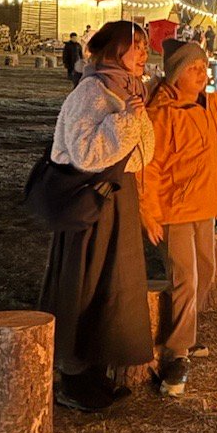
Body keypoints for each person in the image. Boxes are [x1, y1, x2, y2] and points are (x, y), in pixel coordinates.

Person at [39, 21, 156, 412]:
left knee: (111, 288)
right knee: (82, 287)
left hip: (118, 203)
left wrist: (137, 117)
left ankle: (97, 374)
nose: (143, 54)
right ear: (113, 51)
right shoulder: (90, 91)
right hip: (89, 207)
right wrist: (126, 119)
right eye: (135, 47)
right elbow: (85, 154)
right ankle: (73, 379)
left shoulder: (130, 90)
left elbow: (142, 156)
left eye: (144, 47)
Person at [140, 42, 217, 397]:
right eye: (194, 69)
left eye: (203, 67)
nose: (202, 74)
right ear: (177, 75)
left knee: (207, 272)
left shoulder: (215, 105)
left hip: (206, 205)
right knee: (185, 278)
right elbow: (148, 168)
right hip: (176, 209)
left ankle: (184, 330)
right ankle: (177, 353)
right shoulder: (161, 114)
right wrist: (148, 212)